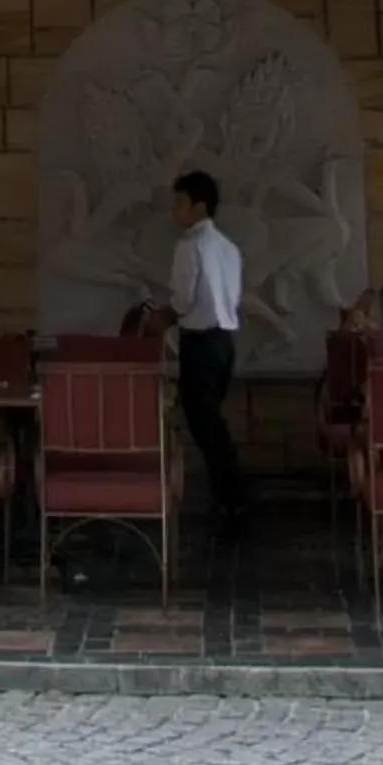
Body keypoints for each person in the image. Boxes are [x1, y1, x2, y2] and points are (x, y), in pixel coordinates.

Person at [151, 169, 246, 528]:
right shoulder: (230, 249)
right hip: (224, 345)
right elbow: (232, 298)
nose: (175, 211)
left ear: (199, 206)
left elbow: (184, 299)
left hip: (200, 345)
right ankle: (228, 496)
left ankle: (233, 499)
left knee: (207, 427)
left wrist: (164, 316)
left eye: (179, 203)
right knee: (212, 423)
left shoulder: (189, 246)